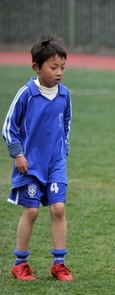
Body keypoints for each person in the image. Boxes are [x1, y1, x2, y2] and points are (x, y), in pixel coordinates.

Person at [2, 34, 73, 281]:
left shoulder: (64, 95)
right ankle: (20, 262)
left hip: (55, 163)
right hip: (30, 164)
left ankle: (59, 263)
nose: (59, 72)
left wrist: (63, 150)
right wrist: (18, 154)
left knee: (59, 208)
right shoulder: (26, 94)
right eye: (53, 67)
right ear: (36, 67)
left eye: (62, 67)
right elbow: (8, 126)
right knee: (31, 212)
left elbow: (66, 124)